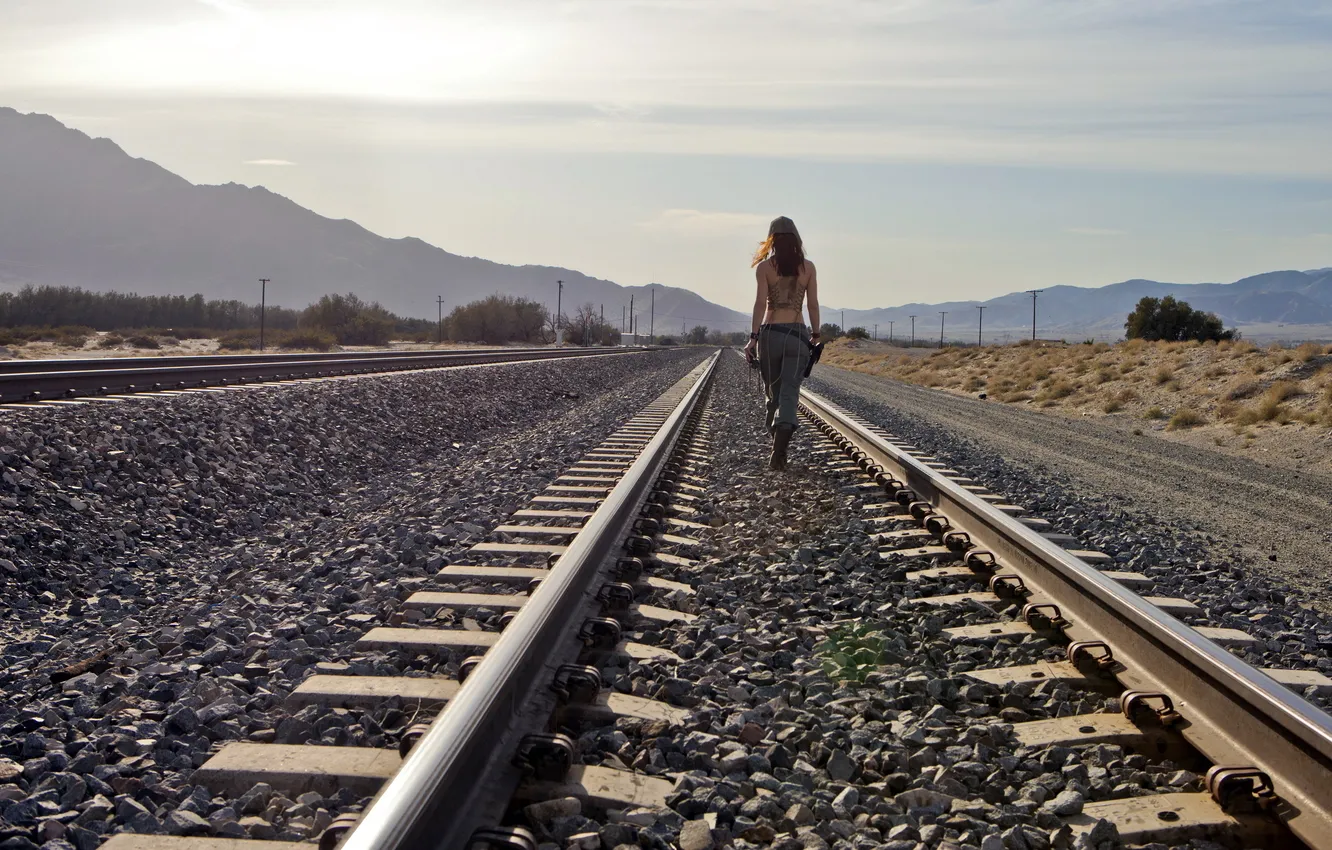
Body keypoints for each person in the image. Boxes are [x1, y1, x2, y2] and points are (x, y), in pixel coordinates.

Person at [742, 216, 820, 470]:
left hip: (771, 336)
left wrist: (753, 339)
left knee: (772, 393)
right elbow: (812, 304)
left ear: (772, 240)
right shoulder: (808, 268)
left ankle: (776, 439)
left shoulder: (764, 269)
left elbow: (759, 304)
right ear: (797, 239)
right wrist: (815, 335)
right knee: (789, 392)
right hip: (797, 335)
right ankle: (780, 449)